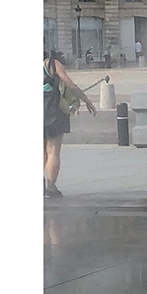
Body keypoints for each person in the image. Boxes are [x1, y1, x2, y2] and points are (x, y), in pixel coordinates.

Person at [43, 50, 92, 198]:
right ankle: (50, 187)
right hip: (51, 108)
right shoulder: (51, 64)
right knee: (53, 150)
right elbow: (69, 83)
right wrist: (86, 100)